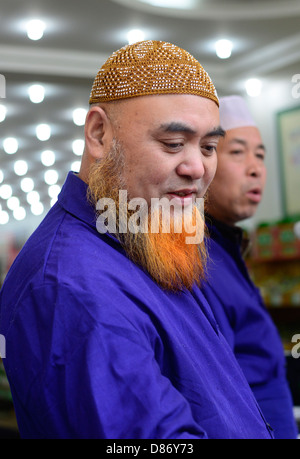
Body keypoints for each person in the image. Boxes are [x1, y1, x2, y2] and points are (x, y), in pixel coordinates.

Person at [0, 41, 273, 439]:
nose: (197, 167)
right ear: (98, 134)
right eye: (173, 144)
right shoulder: (69, 287)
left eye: (209, 147)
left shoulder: (149, 238)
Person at [202, 95, 298, 439]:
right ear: (205, 162)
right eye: (238, 152)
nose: (255, 168)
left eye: (260, 155)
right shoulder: (194, 263)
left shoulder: (228, 249)